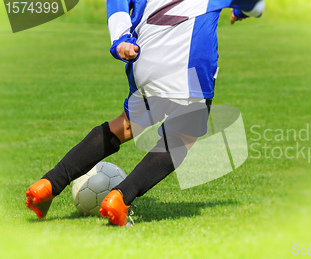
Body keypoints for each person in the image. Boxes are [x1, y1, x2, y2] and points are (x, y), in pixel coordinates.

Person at [25, 0, 265, 227]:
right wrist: (240, 12)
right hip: (189, 59)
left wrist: (120, 39)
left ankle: (48, 184)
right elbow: (257, 5)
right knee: (183, 136)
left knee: (125, 126)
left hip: (144, 56)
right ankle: (120, 199)